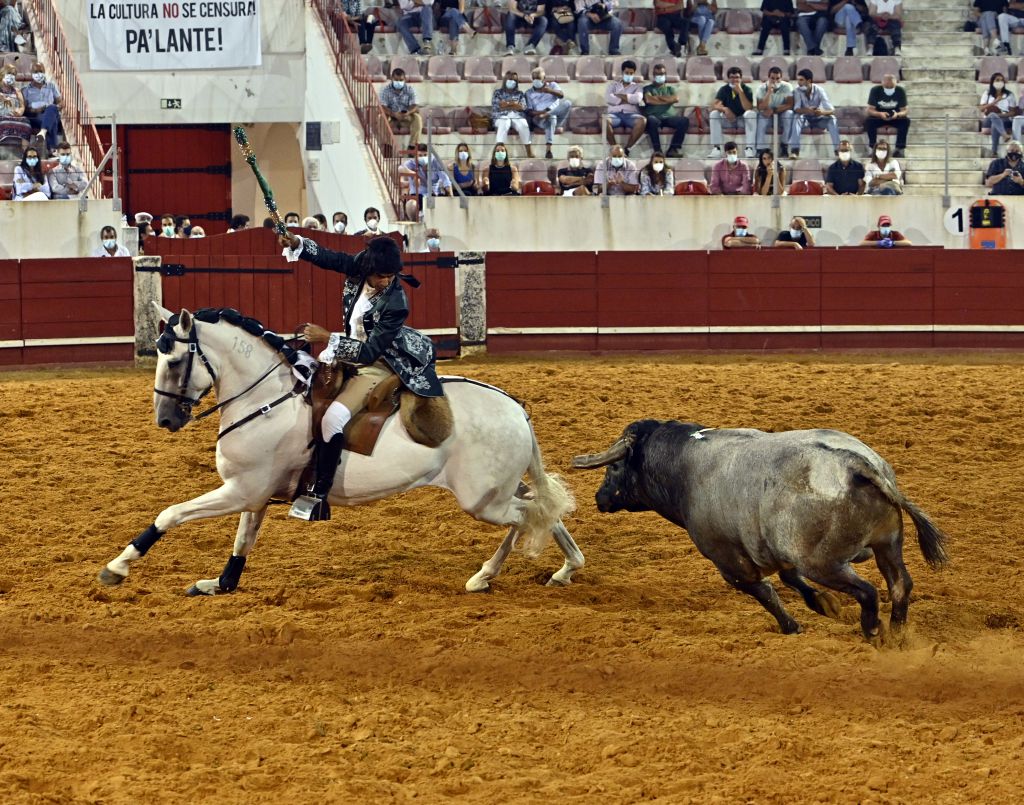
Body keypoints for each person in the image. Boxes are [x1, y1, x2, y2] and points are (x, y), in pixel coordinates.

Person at [278, 232, 442, 521]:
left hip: (379, 362)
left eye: (391, 276)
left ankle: (319, 493)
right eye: (381, 276)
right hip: (347, 351)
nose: (386, 281)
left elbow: (369, 353)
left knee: (333, 418)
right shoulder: (361, 266)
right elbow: (331, 258)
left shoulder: (396, 302)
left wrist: (329, 338)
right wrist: (299, 246)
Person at [789, 68, 839, 157]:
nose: (798, 83)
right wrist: (807, 110)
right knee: (797, 117)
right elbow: (796, 109)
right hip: (805, 120)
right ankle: (795, 150)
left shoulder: (819, 90)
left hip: (819, 118)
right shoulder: (797, 91)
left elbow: (832, 110)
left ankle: (838, 150)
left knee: (832, 119)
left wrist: (822, 112)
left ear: (809, 80)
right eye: (798, 80)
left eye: (801, 80)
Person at [708, 66, 756, 159]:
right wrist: (725, 109)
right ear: (728, 79)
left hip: (742, 120)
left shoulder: (747, 89)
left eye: (737, 77)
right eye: (732, 77)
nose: (734, 80)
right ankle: (716, 148)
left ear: (741, 78)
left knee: (751, 114)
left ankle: (750, 148)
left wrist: (740, 91)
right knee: (714, 114)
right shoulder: (724, 89)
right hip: (728, 120)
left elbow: (748, 107)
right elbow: (713, 106)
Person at [642, 63, 689, 157]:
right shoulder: (647, 88)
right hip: (654, 117)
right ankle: (657, 151)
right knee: (651, 120)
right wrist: (667, 100)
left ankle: (673, 149)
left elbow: (675, 99)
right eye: (657, 74)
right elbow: (649, 100)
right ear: (654, 76)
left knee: (684, 121)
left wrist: (656, 99)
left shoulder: (670, 88)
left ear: (665, 75)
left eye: (662, 74)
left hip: (669, 117)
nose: (660, 76)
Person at [525, 67, 571, 159]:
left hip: (557, 118)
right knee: (551, 117)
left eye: (538, 78)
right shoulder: (528, 93)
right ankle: (548, 149)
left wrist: (549, 91)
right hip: (540, 120)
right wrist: (542, 113)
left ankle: (549, 114)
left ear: (544, 78)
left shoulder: (553, 85)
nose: (536, 80)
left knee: (567, 103)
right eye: (534, 78)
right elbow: (529, 112)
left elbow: (561, 95)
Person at [399, 143, 453, 219]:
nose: (423, 157)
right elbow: (400, 169)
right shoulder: (412, 163)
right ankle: (415, 221)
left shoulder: (435, 162)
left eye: (425, 155)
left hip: (433, 194)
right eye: (420, 155)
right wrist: (414, 174)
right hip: (417, 195)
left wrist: (450, 195)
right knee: (411, 205)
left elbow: (445, 179)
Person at [21, 61, 63, 157]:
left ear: (44, 72)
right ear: (31, 73)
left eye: (41, 71)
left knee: (51, 109)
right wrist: (35, 110)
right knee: (51, 121)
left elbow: (60, 102)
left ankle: (43, 131)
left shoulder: (51, 86)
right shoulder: (25, 90)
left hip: (50, 113)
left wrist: (57, 107)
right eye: (36, 72)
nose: (39, 74)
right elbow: (24, 109)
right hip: (35, 117)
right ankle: (52, 149)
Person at [605, 60, 646, 154]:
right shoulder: (613, 85)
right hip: (614, 115)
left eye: (631, 73)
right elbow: (609, 98)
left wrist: (618, 96)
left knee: (642, 121)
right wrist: (628, 99)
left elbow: (637, 99)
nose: (629, 75)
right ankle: (615, 149)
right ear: (622, 72)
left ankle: (627, 149)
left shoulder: (638, 87)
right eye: (627, 73)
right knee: (603, 121)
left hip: (631, 115)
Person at [865, 74, 909, 158]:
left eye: (891, 87)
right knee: (869, 121)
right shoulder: (875, 90)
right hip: (879, 116)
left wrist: (898, 114)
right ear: (882, 83)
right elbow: (870, 109)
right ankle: (872, 148)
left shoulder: (900, 90)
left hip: (895, 116)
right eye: (887, 87)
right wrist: (879, 114)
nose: (889, 88)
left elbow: (905, 110)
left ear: (896, 84)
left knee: (905, 121)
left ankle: (899, 149)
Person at [754, 65, 794, 156]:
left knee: (789, 114)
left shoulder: (787, 86)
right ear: (768, 78)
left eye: (778, 78)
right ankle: (760, 149)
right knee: (761, 117)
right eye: (772, 78)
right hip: (767, 115)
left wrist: (774, 110)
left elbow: (790, 104)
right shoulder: (761, 88)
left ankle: (784, 145)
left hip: (780, 114)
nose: (775, 81)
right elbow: (760, 107)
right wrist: (768, 93)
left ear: (781, 78)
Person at [491, 71, 533, 157]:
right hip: (500, 116)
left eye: (514, 80)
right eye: (510, 79)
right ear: (505, 80)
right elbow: (500, 106)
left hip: (516, 115)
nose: (512, 81)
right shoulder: (498, 93)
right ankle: (499, 150)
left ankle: (529, 151)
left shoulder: (520, 94)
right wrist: (514, 104)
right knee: (505, 121)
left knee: (523, 124)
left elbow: (522, 107)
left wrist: (507, 104)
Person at [380, 68, 422, 149]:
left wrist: (408, 112)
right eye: (396, 80)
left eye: (401, 80)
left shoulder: (410, 89)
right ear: (391, 78)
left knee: (417, 118)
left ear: (405, 79)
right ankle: (387, 145)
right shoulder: (385, 90)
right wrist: (394, 114)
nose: (399, 82)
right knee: (381, 118)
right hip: (392, 118)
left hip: (406, 117)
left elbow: (415, 105)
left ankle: (412, 146)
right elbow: (383, 106)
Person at [980, 72, 1016, 157]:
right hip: (988, 119)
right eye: (997, 80)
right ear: (992, 82)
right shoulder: (987, 93)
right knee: (993, 115)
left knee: (995, 123)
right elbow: (981, 108)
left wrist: (1000, 115)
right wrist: (995, 102)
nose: (1000, 82)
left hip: (1004, 119)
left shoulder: (1009, 95)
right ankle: (1004, 135)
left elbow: (1013, 112)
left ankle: (994, 151)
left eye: (1002, 80)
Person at [0, 63, 30, 145]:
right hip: (1, 116)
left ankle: (26, 152)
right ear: (2, 75)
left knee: (26, 121)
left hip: (13, 116)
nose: (11, 76)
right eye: (9, 73)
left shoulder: (16, 91)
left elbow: (22, 106)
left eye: (13, 74)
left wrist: (20, 112)